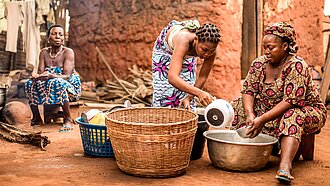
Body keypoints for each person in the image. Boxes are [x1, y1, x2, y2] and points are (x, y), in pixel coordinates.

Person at [230, 22, 327, 184]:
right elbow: (248, 90)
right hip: (269, 110)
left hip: (305, 110)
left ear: (285, 46)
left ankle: (285, 165)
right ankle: (242, 151)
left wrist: (261, 119)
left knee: (292, 115)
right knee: (237, 105)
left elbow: (290, 102)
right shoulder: (259, 63)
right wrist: (250, 114)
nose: (266, 51)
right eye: (265, 47)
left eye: (271, 47)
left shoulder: (297, 66)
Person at [152, 20, 221, 110]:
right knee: (165, 93)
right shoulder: (184, 40)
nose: (207, 54)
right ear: (196, 39)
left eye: (211, 51)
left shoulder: (211, 49)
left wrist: (189, 97)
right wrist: (199, 93)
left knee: (187, 93)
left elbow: (202, 77)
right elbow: (172, 77)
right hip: (166, 49)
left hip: (189, 50)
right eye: (204, 50)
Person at [25, 24, 81, 131]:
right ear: (48, 38)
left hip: (69, 87)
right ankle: (37, 118)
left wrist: (51, 75)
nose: (58, 37)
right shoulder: (44, 52)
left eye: (61, 34)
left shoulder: (68, 52)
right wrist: (36, 76)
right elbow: (41, 73)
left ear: (64, 38)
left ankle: (68, 119)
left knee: (57, 82)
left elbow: (67, 77)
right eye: (54, 34)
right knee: (29, 83)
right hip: (49, 84)